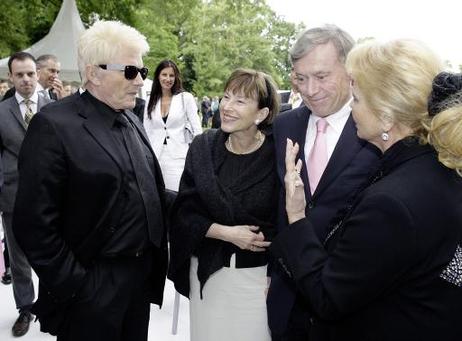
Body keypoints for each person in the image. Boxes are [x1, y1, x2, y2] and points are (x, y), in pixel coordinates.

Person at [272, 39, 462, 340]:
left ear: (386, 114)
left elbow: (328, 297)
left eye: (357, 99)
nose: (352, 109)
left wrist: (296, 216)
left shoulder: (392, 202)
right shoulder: (440, 170)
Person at [12, 20, 168, 341]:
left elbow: (146, 191)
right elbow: (34, 224)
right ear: (94, 73)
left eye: (143, 70)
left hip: (138, 282)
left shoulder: (130, 119)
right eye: (130, 71)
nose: (140, 81)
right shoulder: (54, 125)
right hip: (92, 289)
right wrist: (79, 286)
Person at [267, 24, 380, 341]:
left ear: (349, 70)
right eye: (301, 78)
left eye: (321, 76)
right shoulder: (285, 125)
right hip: (287, 299)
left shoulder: (374, 130)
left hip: (350, 305)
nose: (310, 89)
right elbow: (279, 205)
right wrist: (273, 272)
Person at [168, 68, 280, 341]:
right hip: (208, 275)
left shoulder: (277, 154)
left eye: (240, 101)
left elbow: (285, 220)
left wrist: (278, 275)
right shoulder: (203, 147)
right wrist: (228, 233)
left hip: (257, 280)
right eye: (226, 97)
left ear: (261, 114)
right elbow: (183, 213)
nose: (227, 107)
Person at [0, 51, 53, 337]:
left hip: (50, 195)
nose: (26, 80)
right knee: (18, 259)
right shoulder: (1, 111)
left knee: (51, 250)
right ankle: (25, 308)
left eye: (30, 73)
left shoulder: (53, 107)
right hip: (13, 196)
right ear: (11, 76)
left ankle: (51, 302)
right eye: (19, 74)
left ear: (38, 73)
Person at [143, 59, 202, 192]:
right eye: (164, 75)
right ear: (158, 76)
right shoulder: (150, 101)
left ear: (176, 78)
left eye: (172, 75)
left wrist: (198, 153)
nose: (168, 79)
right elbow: (146, 131)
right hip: (155, 157)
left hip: (178, 157)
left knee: (176, 194)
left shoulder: (185, 98)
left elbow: (197, 128)